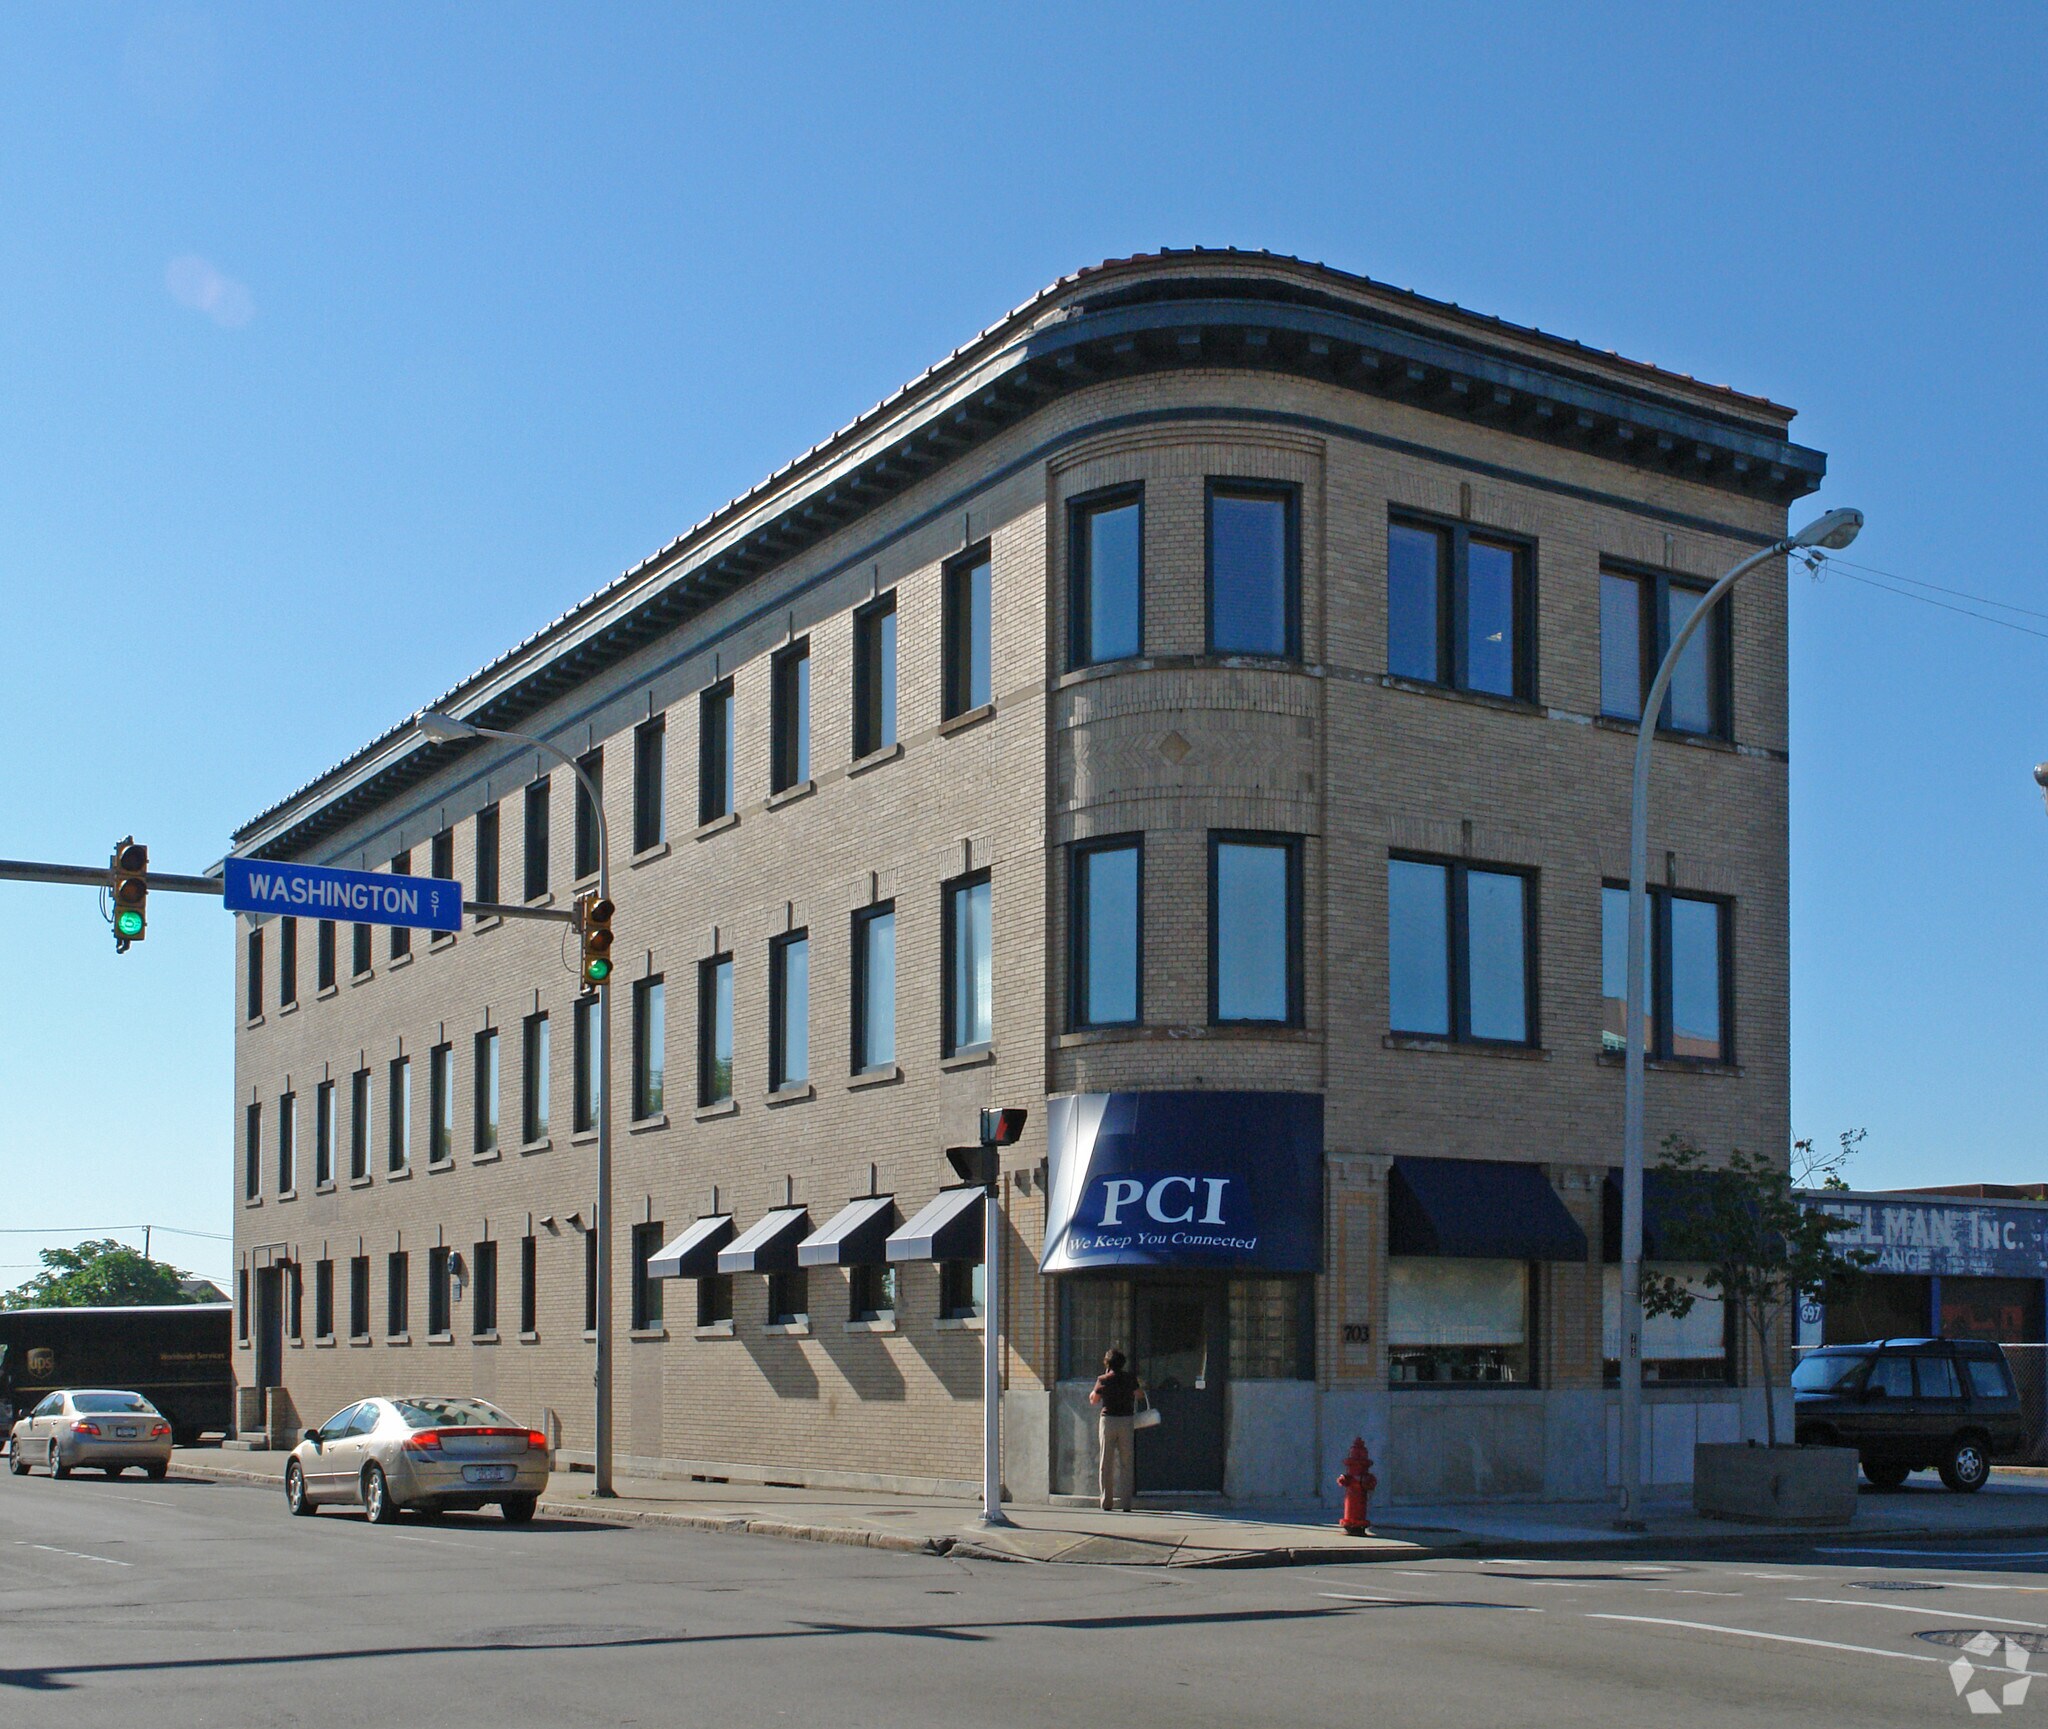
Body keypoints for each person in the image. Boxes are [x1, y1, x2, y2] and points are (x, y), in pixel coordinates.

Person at [1089, 1348, 1142, 1512]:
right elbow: (1139, 1394)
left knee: (1106, 1462)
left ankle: (1107, 1502)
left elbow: (1094, 1400)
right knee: (1127, 1462)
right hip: (1126, 1420)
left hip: (1108, 1421)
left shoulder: (1103, 1379)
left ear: (1107, 1363)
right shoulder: (1130, 1378)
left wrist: (1094, 1392)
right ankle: (1126, 1503)